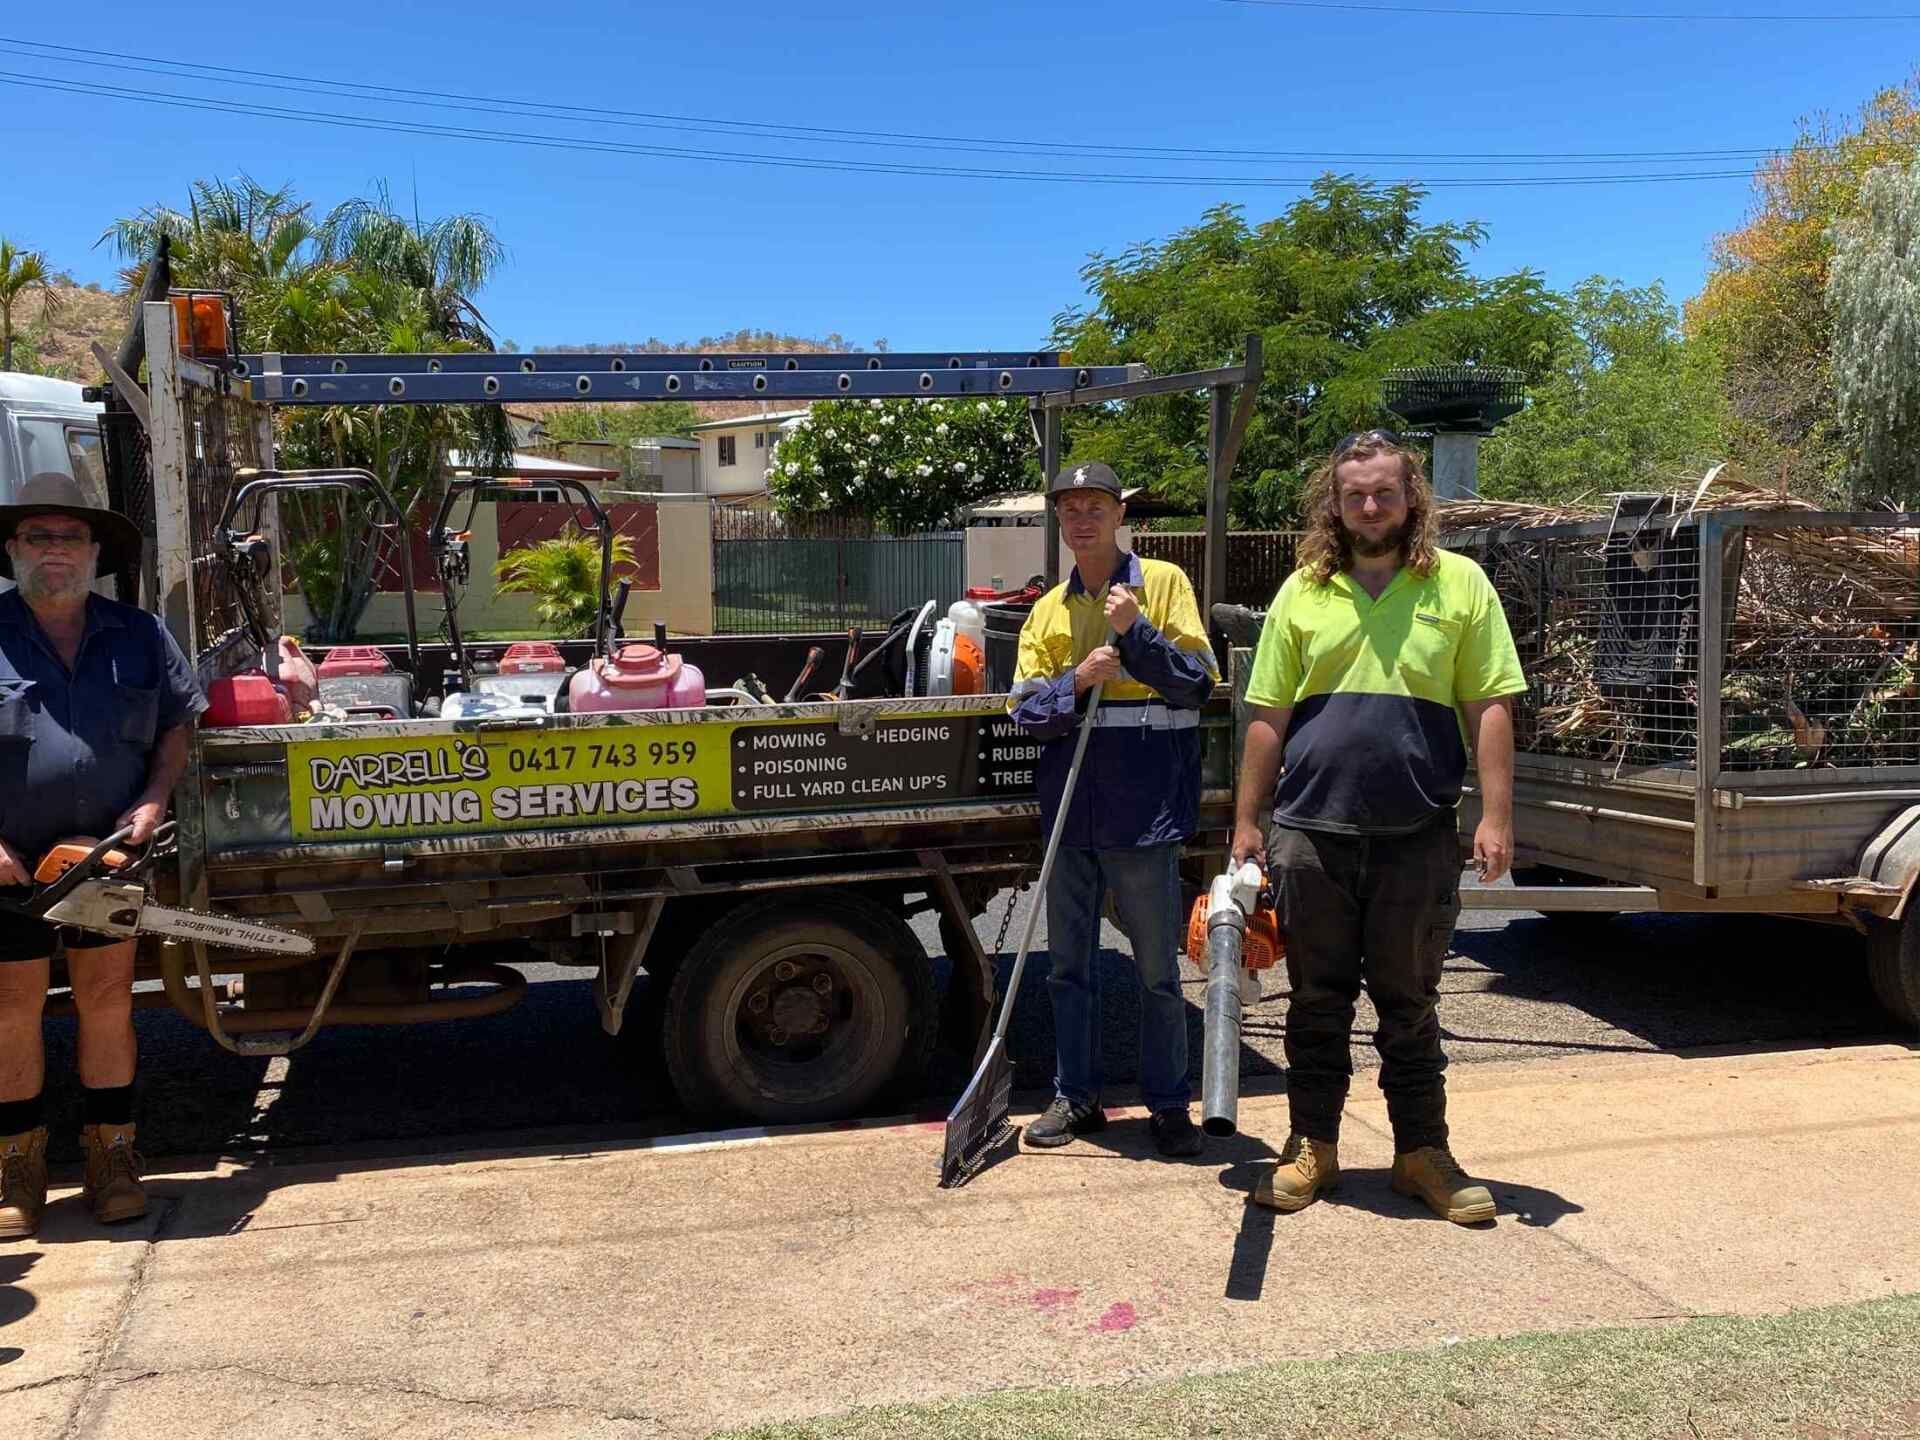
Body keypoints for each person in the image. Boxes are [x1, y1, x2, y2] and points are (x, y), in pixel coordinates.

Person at [1232, 433, 1524, 1223]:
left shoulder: (1460, 585)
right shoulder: (1302, 591)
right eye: (1354, 494)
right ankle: (1311, 1149)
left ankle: (1421, 1155)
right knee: (1315, 1004)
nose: (1368, 506)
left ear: (1411, 499)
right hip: (1309, 835)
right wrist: (1246, 822)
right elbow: (1267, 717)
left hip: (1418, 834)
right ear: (1334, 503)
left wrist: (1495, 815)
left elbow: (1491, 703)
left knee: (1411, 1006)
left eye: (1383, 493)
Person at [0, 473, 205, 1239]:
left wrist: (152, 802)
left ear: (94, 552)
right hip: (11, 865)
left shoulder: (141, 634)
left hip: (106, 859)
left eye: (71, 537)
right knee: (11, 1011)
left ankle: (113, 1159)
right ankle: (16, 1172)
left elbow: (178, 726)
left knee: (108, 1001)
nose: (56, 551)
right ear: (14, 549)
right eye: (39, 537)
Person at [1010, 461, 1220, 1158]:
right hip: (1071, 811)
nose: (1082, 518)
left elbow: (1196, 685)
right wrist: (1078, 680)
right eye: (1070, 508)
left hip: (1146, 808)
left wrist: (1137, 635)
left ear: (1118, 513)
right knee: (1069, 968)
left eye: (1095, 505)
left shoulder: (1161, 585)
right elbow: (1025, 713)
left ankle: (1167, 1104)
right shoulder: (1046, 611)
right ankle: (1078, 1098)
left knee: (1157, 969)